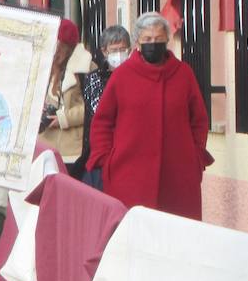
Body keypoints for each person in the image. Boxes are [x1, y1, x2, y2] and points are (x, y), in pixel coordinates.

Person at [87, 12, 211, 219]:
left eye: (158, 38)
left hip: (179, 176)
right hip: (128, 176)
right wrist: (106, 160)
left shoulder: (183, 74)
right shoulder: (122, 75)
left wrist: (195, 157)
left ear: (167, 40)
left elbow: (198, 120)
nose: (153, 43)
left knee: (177, 238)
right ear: (137, 42)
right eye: (147, 39)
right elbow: (102, 122)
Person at [69, 25, 132, 185]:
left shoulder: (136, 76)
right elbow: (100, 110)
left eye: (123, 49)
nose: (119, 54)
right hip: (100, 153)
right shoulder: (94, 79)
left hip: (130, 152)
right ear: (104, 51)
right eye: (114, 49)